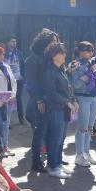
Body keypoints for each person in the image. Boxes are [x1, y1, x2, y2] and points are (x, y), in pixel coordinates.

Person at [25, 29, 59, 172]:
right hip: (38, 101)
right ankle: (36, 162)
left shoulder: (48, 58)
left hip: (50, 100)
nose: (55, 44)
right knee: (39, 132)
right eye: (53, 42)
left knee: (50, 132)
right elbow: (32, 83)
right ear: (44, 43)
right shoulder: (33, 59)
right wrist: (39, 100)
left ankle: (53, 159)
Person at [43, 42, 77, 178]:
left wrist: (74, 100)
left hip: (64, 108)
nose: (64, 55)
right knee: (55, 138)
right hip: (55, 109)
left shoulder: (61, 69)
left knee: (61, 138)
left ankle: (57, 164)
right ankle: (53, 166)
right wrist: (67, 102)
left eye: (64, 52)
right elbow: (51, 93)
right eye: (61, 53)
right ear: (53, 55)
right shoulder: (49, 71)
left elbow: (68, 88)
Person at [71, 41, 96, 167]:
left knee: (89, 127)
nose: (87, 53)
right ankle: (79, 155)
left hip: (94, 97)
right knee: (82, 127)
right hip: (83, 98)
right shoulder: (74, 64)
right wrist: (86, 78)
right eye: (84, 50)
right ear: (78, 51)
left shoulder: (91, 63)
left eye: (90, 50)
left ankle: (86, 152)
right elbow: (75, 84)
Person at [0, 46, 17, 155]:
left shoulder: (6, 66)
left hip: (10, 99)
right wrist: (2, 97)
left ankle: (5, 145)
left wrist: (13, 94)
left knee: (7, 123)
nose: (2, 56)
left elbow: (13, 81)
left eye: (3, 54)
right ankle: (0, 148)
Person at [5, 36, 26, 124]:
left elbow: (23, 65)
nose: (14, 43)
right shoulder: (5, 53)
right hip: (8, 80)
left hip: (18, 79)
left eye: (15, 41)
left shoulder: (19, 53)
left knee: (19, 99)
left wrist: (23, 75)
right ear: (8, 43)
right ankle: (7, 121)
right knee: (8, 99)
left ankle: (21, 119)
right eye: (12, 41)